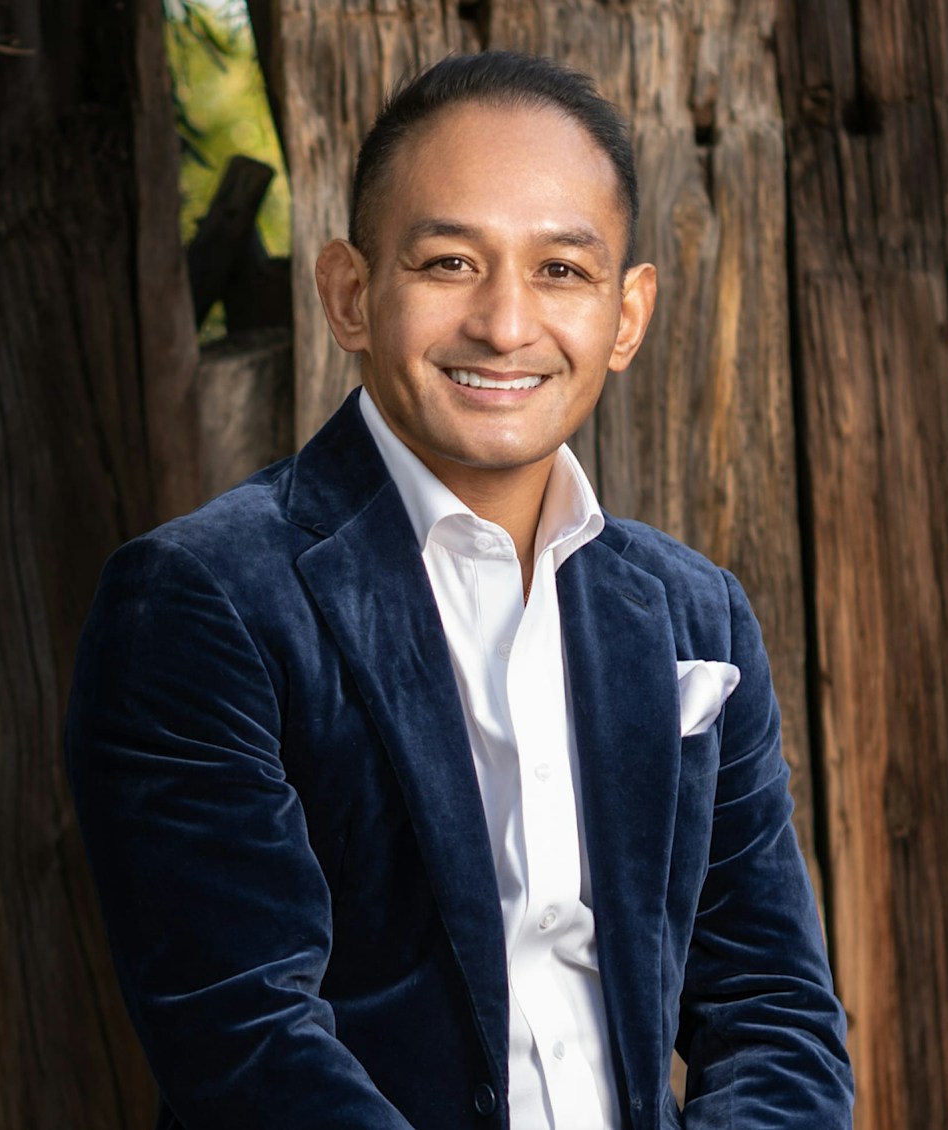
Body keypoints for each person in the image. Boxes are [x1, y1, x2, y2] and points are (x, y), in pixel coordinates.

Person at [65, 50, 853, 1130]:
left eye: (562, 271)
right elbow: (244, 1037)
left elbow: (777, 1011)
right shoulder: (201, 600)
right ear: (349, 291)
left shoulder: (692, 611)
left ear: (625, 316)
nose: (504, 322)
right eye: (447, 262)